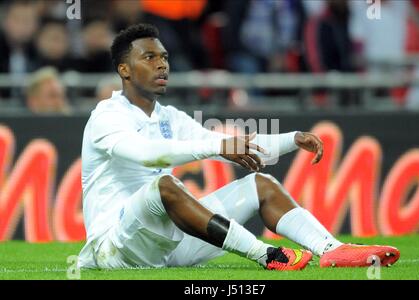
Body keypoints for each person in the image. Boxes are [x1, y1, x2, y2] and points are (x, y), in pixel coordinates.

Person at [77, 24, 400, 270]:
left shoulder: (168, 116)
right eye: (149, 57)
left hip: (168, 246)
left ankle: (331, 249)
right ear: (124, 70)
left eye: (164, 57)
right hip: (116, 247)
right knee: (163, 185)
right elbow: (146, 155)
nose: (162, 65)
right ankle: (266, 254)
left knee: (261, 184)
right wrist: (218, 144)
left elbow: (223, 143)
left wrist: (291, 139)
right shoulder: (107, 116)